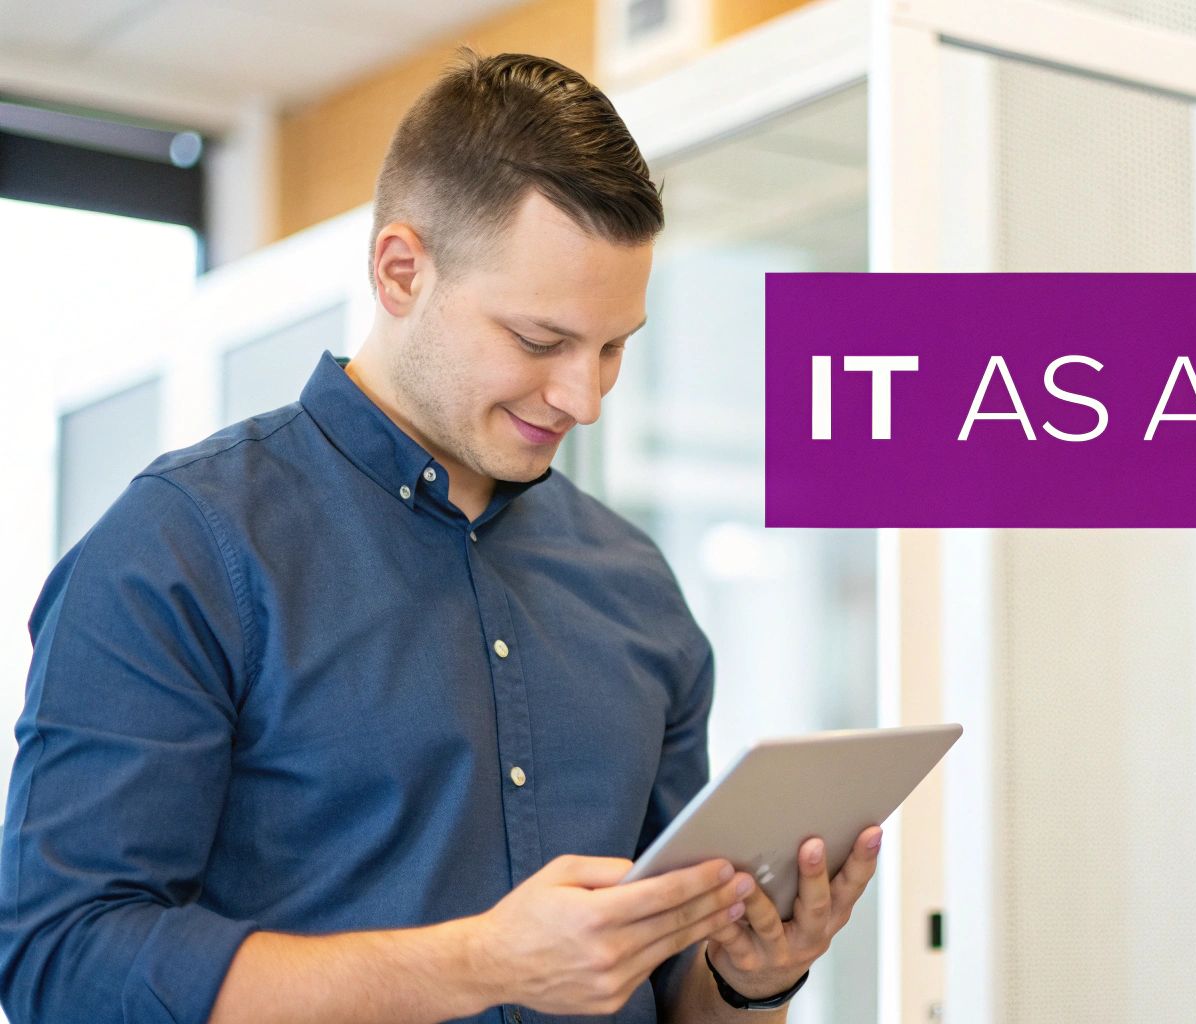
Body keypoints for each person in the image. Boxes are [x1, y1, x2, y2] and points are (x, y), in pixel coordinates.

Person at [0, 47, 876, 1024]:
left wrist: (749, 979)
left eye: (613, 346)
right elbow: (60, 966)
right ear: (401, 271)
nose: (582, 397)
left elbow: (674, 996)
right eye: (539, 342)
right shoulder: (181, 547)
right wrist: (479, 965)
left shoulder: (635, 584)